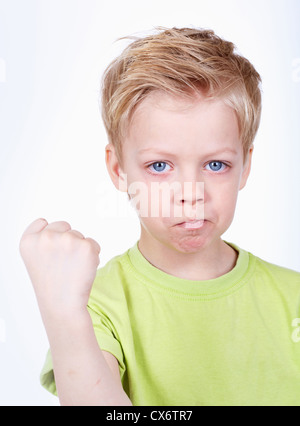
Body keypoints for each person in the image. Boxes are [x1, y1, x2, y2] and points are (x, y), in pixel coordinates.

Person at [19, 27, 300, 406]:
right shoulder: (94, 305)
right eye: (160, 165)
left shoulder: (293, 297)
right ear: (119, 170)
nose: (190, 193)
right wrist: (64, 313)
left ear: (246, 165)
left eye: (216, 164)